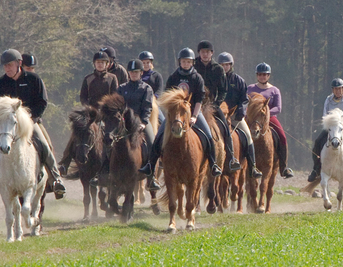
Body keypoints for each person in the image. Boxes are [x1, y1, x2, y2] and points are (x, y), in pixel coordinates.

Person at [0, 49, 66, 207]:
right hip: (7, 125)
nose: (7, 68)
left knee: (45, 146)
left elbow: (42, 102)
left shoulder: (34, 79)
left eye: (10, 65)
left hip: (31, 123)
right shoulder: (0, 84)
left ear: (19, 63)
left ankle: (56, 181)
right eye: (5, 66)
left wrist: (30, 119)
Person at [138, 47, 223, 178]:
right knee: (158, 137)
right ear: (180, 62)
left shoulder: (197, 78)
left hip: (193, 111)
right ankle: (150, 164)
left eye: (188, 62)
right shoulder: (174, 77)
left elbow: (199, 99)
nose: (186, 64)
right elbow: (167, 97)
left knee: (208, 135)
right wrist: (170, 114)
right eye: (184, 61)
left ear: (192, 63)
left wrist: (194, 116)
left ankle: (213, 164)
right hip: (176, 114)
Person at [90, 59, 161, 191]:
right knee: (107, 140)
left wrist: (144, 123)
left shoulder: (147, 88)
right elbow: (116, 106)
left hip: (140, 122)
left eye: (136, 72)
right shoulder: (122, 88)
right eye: (131, 72)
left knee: (152, 142)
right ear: (128, 73)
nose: (133, 74)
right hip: (123, 122)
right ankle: (102, 172)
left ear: (140, 73)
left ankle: (152, 177)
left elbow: (147, 107)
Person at [60, 51, 119, 178]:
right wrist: (90, 110)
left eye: (102, 63)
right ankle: (65, 163)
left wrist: (104, 110)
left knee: (110, 137)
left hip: (106, 114)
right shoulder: (88, 79)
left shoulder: (112, 78)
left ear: (107, 64)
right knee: (76, 134)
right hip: (90, 115)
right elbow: (83, 97)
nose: (100, 65)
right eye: (98, 62)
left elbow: (114, 96)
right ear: (94, 64)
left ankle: (111, 165)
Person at [307, 78, 343, 187]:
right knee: (317, 142)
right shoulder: (328, 100)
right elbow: (325, 115)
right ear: (332, 90)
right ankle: (315, 170)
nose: (338, 91)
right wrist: (332, 122)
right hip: (331, 129)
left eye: (340, 89)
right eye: (335, 89)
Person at [194, 40, 241, 171]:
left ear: (211, 53)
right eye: (202, 52)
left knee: (225, 127)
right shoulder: (193, 66)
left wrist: (216, 104)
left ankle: (232, 157)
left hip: (212, 104)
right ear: (199, 53)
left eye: (207, 52)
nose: (205, 54)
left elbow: (223, 90)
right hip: (194, 105)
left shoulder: (218, 69)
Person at [217, 52, 262, 179]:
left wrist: (241, 112)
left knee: (248, 136)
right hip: (218, 116)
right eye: (221, 65)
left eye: (227, 65)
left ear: (231, 65)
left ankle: (253, 167)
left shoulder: (239, 80)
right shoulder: (214, 79)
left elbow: (244, 99)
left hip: (235, 117)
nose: (224, 67)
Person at [247, 63, 294, 178]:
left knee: (282, 136)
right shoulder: (250, 88)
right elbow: (245, 103)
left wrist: (266, 114)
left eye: (265, 74)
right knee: (239, 134)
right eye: (260, 74)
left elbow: (278, 108)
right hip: (252, 118)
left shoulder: (274, 90)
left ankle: (284, 167)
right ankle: (236, 161)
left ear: (268, 76)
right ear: (257, 75)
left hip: (268, 117)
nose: (262, 77)